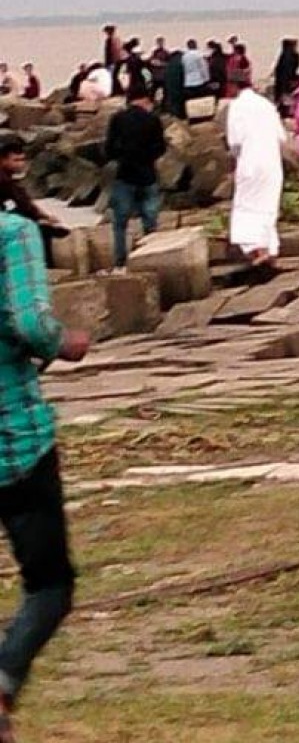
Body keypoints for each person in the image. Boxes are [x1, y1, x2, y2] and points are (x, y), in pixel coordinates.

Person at [0, 208, 91, 743]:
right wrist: (63, 341)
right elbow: (30, 324)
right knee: (50, 586)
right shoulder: (12, 234)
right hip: (14, 442)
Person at [225, 69, 287, 268]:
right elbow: (282, 137)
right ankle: (270, 249)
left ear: (233, 86)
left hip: (250, 162)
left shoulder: (237, 106)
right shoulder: (266, 105)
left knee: (247, 207)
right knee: (268, 207)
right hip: (272, 163)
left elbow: (235, 142)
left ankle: (258, 250)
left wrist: (235, 159)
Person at [103, 80, 167, 268]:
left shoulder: (117, 119)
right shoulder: (153, 119)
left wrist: (121, 157)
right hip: (147, 175)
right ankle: (149, 258)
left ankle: (121, 261)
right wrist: (148, 158)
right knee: (150, 220)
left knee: (120, 223)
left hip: (125, 175)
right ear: (146, 99)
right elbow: (161, 147)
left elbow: (109, 149)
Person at [0, 138, 69, 266]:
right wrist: (43, 218)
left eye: (22, 160)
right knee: (44, 230)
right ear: (3, 160)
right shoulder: (3, 180)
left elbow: (23, 201)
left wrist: (43, 216)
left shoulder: (7, 178)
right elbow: (23, 203)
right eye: (16, 160)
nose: (21, 164)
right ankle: (46, 265)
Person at [271, 39, 299, 114]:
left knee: (283, 95)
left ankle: (283, 109)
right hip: (288, 79)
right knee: (287, 95)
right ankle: (286, 110)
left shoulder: (284, 55)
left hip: (282, 80)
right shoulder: (294, 55)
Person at [181, 39, 211, 111]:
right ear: (195, 45)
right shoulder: (199, 55)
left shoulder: (184, 56)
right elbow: (204, 68)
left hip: (188, 82)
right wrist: (207, 79)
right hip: (199, 81)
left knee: (190, 102)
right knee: (199, 101)